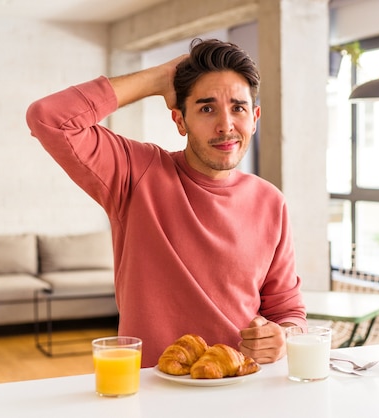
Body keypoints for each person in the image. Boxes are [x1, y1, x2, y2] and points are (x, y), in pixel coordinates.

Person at [26, 38, 307, 368]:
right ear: (179, 121)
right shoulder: (137, 173)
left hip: (241, 383)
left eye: (238, 108)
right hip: (151, 387)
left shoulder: (271, 202)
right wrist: (158, 79)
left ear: (255, 117)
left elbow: (287, 309)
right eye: (206, 108)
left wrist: (283, 337)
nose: (226, 125)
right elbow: (49, 118)